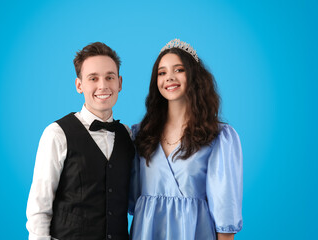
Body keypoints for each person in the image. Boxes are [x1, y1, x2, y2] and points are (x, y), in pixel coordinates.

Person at [129, 39, 243, 240]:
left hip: (194, 232)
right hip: (146, 232)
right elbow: (130, 196)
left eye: (178, 70)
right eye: (162, 73)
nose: (169, 78)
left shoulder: (217, 136)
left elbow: (225, 212)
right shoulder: (141, 134)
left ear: (194, 76)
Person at [26, 42, 135, 240]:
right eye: (93, 78)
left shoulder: (128, 135)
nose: (103, 85)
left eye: (109, 77)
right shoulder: (57, 133)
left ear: (119, 83)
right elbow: (39, 207)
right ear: (79, 85)